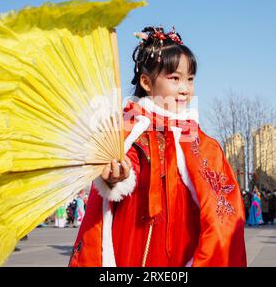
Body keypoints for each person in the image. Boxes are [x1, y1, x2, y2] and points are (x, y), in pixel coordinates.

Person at [69, 26, 247, 267]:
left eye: (190, 79)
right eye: (175, 78)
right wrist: (117, 177)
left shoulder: (196, 137)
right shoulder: (130, 126)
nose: (185, 88)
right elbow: (125, 161)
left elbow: (222, 201)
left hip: (187, 246)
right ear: (146, 82)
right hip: (136, 241)